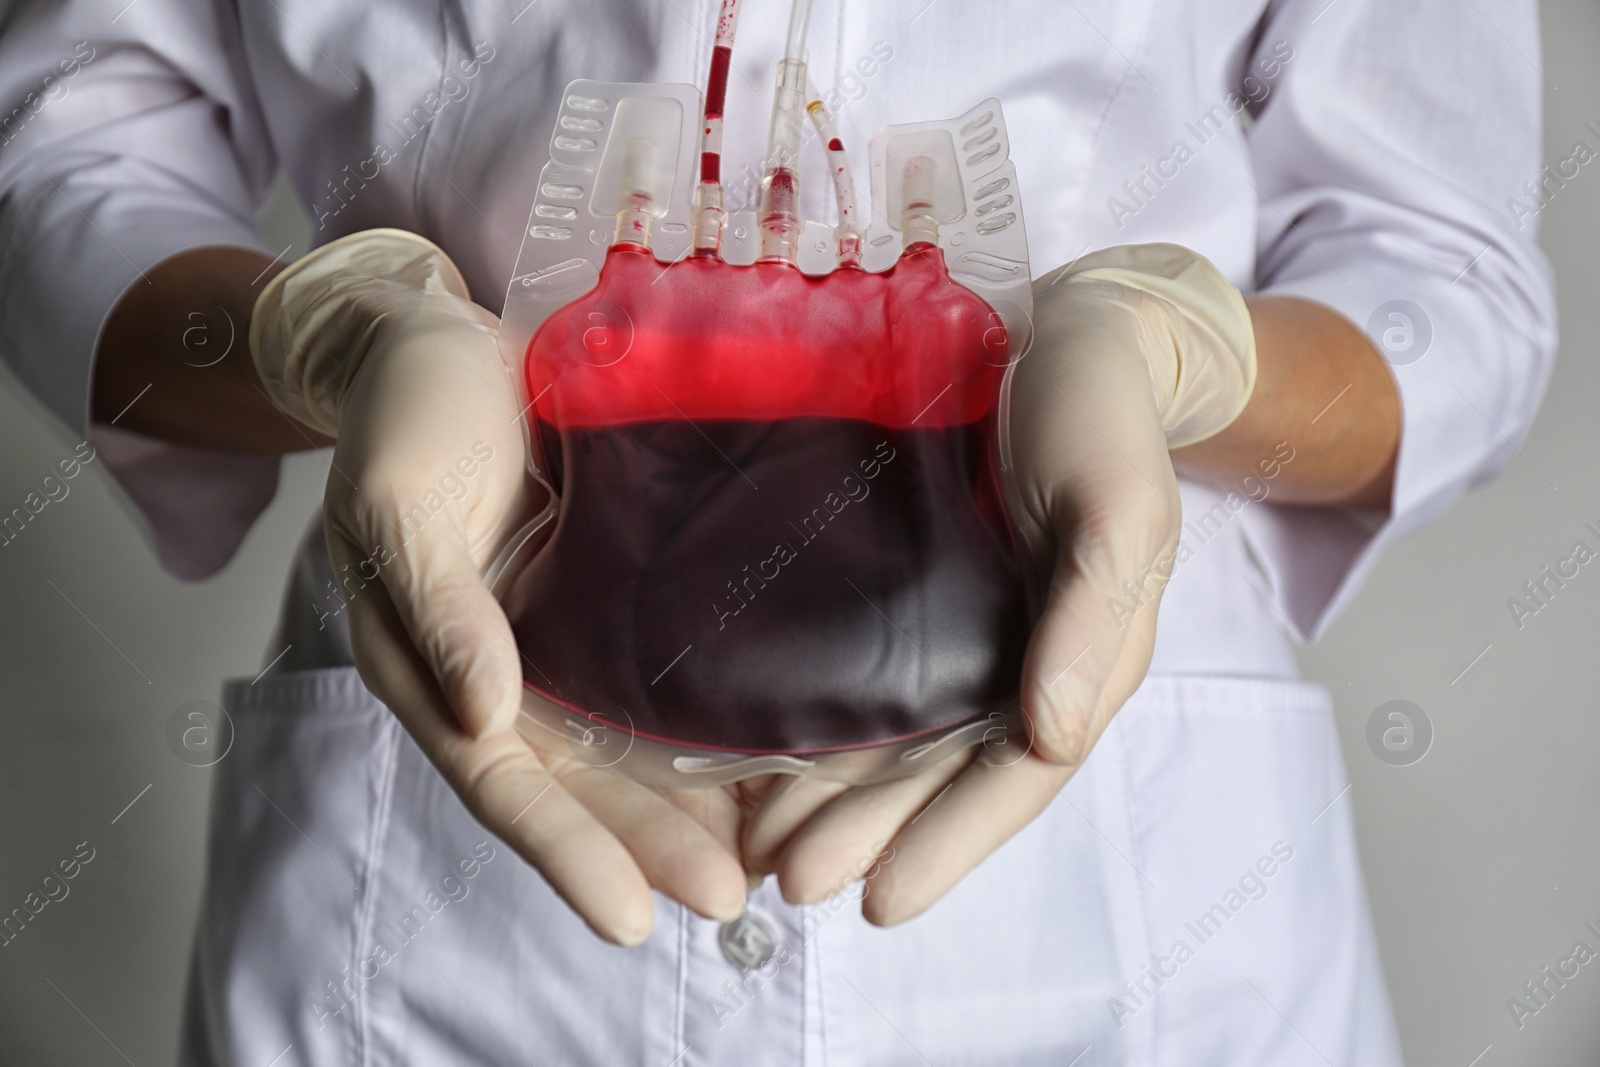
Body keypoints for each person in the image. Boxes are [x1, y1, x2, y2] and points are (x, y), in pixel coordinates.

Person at [0, 0, 1554, 1063]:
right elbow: (69, 150)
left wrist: (1170, 353)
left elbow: (1441, 278)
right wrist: (331, 335)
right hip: (449, 859)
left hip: (1133, 906)